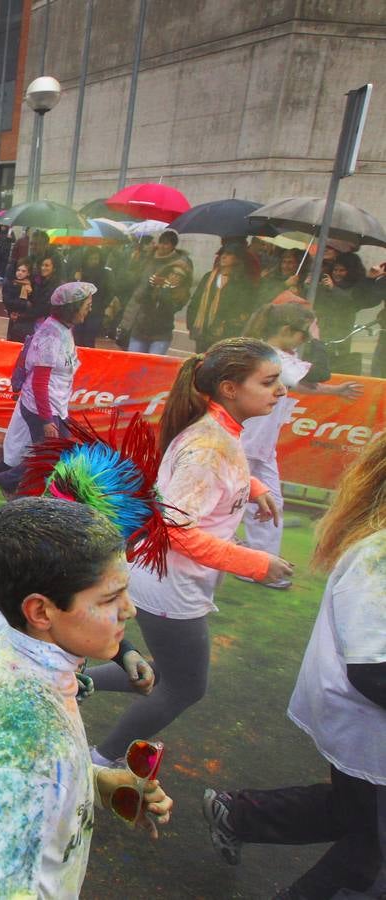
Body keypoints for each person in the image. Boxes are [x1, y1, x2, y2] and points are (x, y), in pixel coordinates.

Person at [0, 498, 173, 899]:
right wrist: (43, 784)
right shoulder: (35, 748)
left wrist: (89, 782)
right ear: (41, 612)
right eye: (110, 599)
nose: (128, 610)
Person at [93, 338, 297, 765]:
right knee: (185, 686)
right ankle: (103, 757)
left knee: (167, 673)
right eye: (270, 382)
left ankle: (72, 681)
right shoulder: (210, 443)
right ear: (229, 388)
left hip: (165, 577)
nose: (281, 392)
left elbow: (211, 478)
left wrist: (254, 489)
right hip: (169, 585)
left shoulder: (220, 430)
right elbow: (178, 530)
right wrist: (256, 562)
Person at [202, 432, 386, 898]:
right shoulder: (377, 558)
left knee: (355, 814)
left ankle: (241, 814)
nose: (280, 393)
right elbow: (371, 669)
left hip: (360, 724)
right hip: (364, 722)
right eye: (268, 383)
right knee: (369, 852)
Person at [238, 303, 363, 571]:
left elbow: (302, 384)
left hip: (262, 445)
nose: (305, 340)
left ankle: (262, 564)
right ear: (286, 330)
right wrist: (318, 341)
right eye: (303, 334)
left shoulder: (279, 356)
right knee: (228, 500)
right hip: (243, 442)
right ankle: (228, 556)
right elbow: (318, 373)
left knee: (270, 504)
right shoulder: (269, 355)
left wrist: (335, 391)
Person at [0, 282, 96, 495]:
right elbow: (40, 383)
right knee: (51, 454)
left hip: (55, 406)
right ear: (72, 307)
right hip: (41, 407)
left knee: (57, 452)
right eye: (87, 304)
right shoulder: (50, 336)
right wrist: (47, 419)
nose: (90, 308)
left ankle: (1, 475)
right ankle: (9, 482)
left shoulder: (65, 329)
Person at [121, 228, 192, 354]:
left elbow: (178, 299)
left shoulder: (179, 266)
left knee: (152, 367)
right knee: (133, 364)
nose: (162, 246)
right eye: (161, 242)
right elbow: (132, 283)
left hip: (161, 327)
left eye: (167, 243)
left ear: (173, 246)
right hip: (140, 322)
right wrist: (133, 263)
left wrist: (164, 287)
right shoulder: (147, 259)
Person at [188, 241, 258, 352]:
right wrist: (191, 324)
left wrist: (225, 328)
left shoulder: (243, 284)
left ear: (238, 259)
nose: (223, 256)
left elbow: (242, 310)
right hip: (201, 333)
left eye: (229, 254)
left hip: (223, 337)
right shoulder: (208, 277)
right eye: (222, 253)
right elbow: (195, 301)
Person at [1, 259, 37, 342]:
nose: (20, 273)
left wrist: (30, 294)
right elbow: (7, 301)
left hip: (26, 321)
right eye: (18, 270)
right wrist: (25, 304)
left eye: (23, 271)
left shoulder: (31, 285)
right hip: (13, 317)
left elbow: (34, 303)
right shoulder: (11, 283)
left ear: (28, 273)